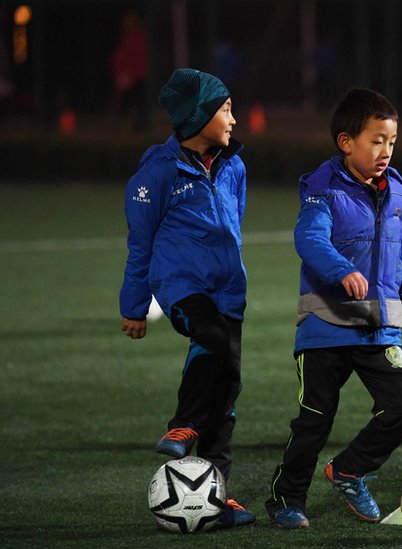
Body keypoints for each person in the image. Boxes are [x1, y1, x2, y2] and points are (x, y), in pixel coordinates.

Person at [265, 88, 402, 529]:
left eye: (391, 141)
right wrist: (340, 271)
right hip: (326, 327)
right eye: (376, 140)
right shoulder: (323, 187)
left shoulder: (397, 190)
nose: (385, 151)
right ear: (345, 142)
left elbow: (397, 244)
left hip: (378, 326)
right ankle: (285, 498)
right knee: (315, 420)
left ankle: (351, 469)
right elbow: (309, 239)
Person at [119, 68, 255, 527]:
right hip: (181, 287)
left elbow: (232, 229)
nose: (234, 119)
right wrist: (134, 307)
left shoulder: (234, 165)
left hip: (228, 293)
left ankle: (215, 499)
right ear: (197, 117)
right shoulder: (158, 172)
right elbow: (139, 247)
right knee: (211, 338)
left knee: (228, 393)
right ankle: (183, 423)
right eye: (225, 109)